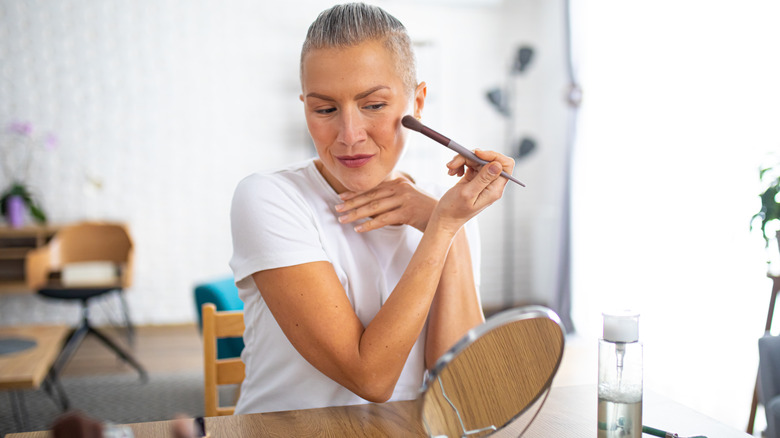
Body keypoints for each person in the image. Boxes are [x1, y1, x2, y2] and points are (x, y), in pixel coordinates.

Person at [229, 2, 515, 414]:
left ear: (417, 103)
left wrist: (446, 224)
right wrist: (442, 226)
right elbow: (370, 378)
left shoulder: (448, 204)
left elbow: (461, 395)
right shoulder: (268, 199)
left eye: (374, 105)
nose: (349, 135)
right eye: (324, 109)